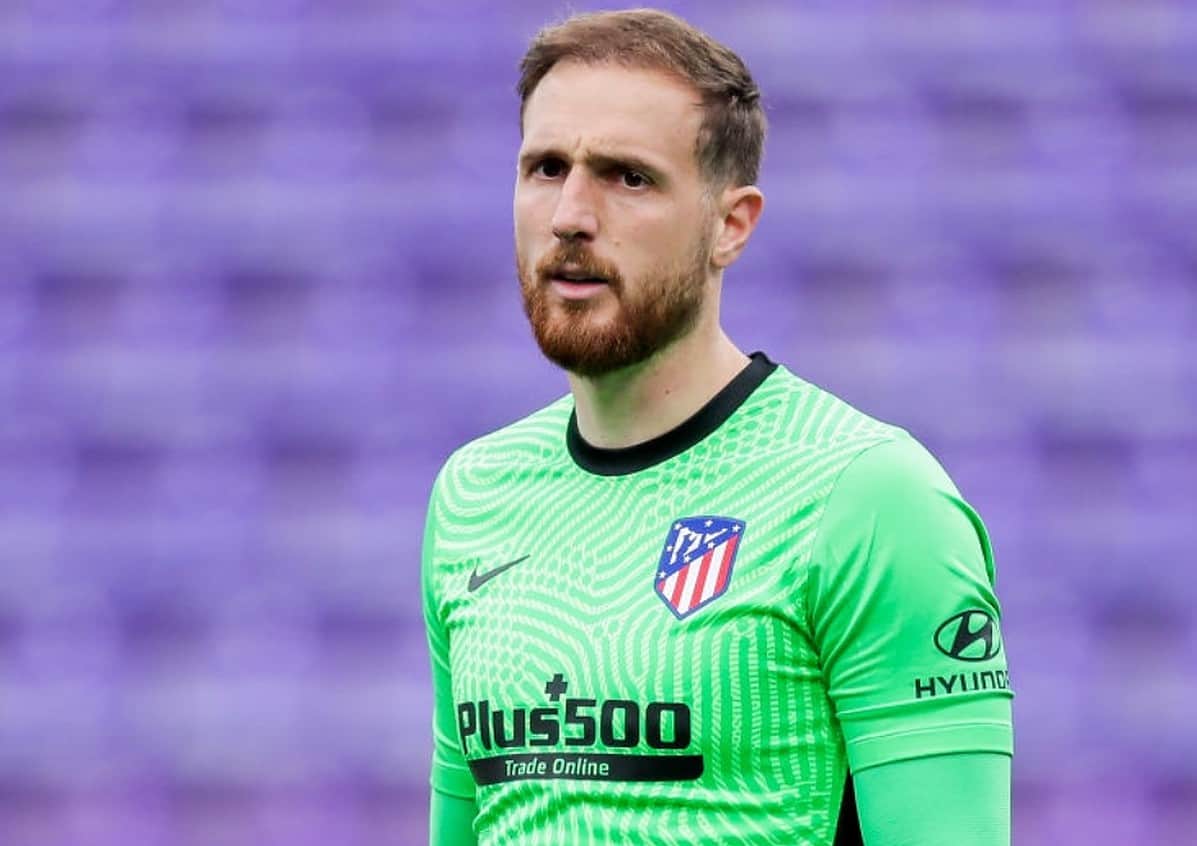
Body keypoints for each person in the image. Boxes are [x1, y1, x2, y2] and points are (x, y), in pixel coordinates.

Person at [421, 9, 1012, 845]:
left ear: (730, 225)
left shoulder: (867, 496)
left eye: (627, 177)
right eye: (546, 167)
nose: (570, 215)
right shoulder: (473, 494)